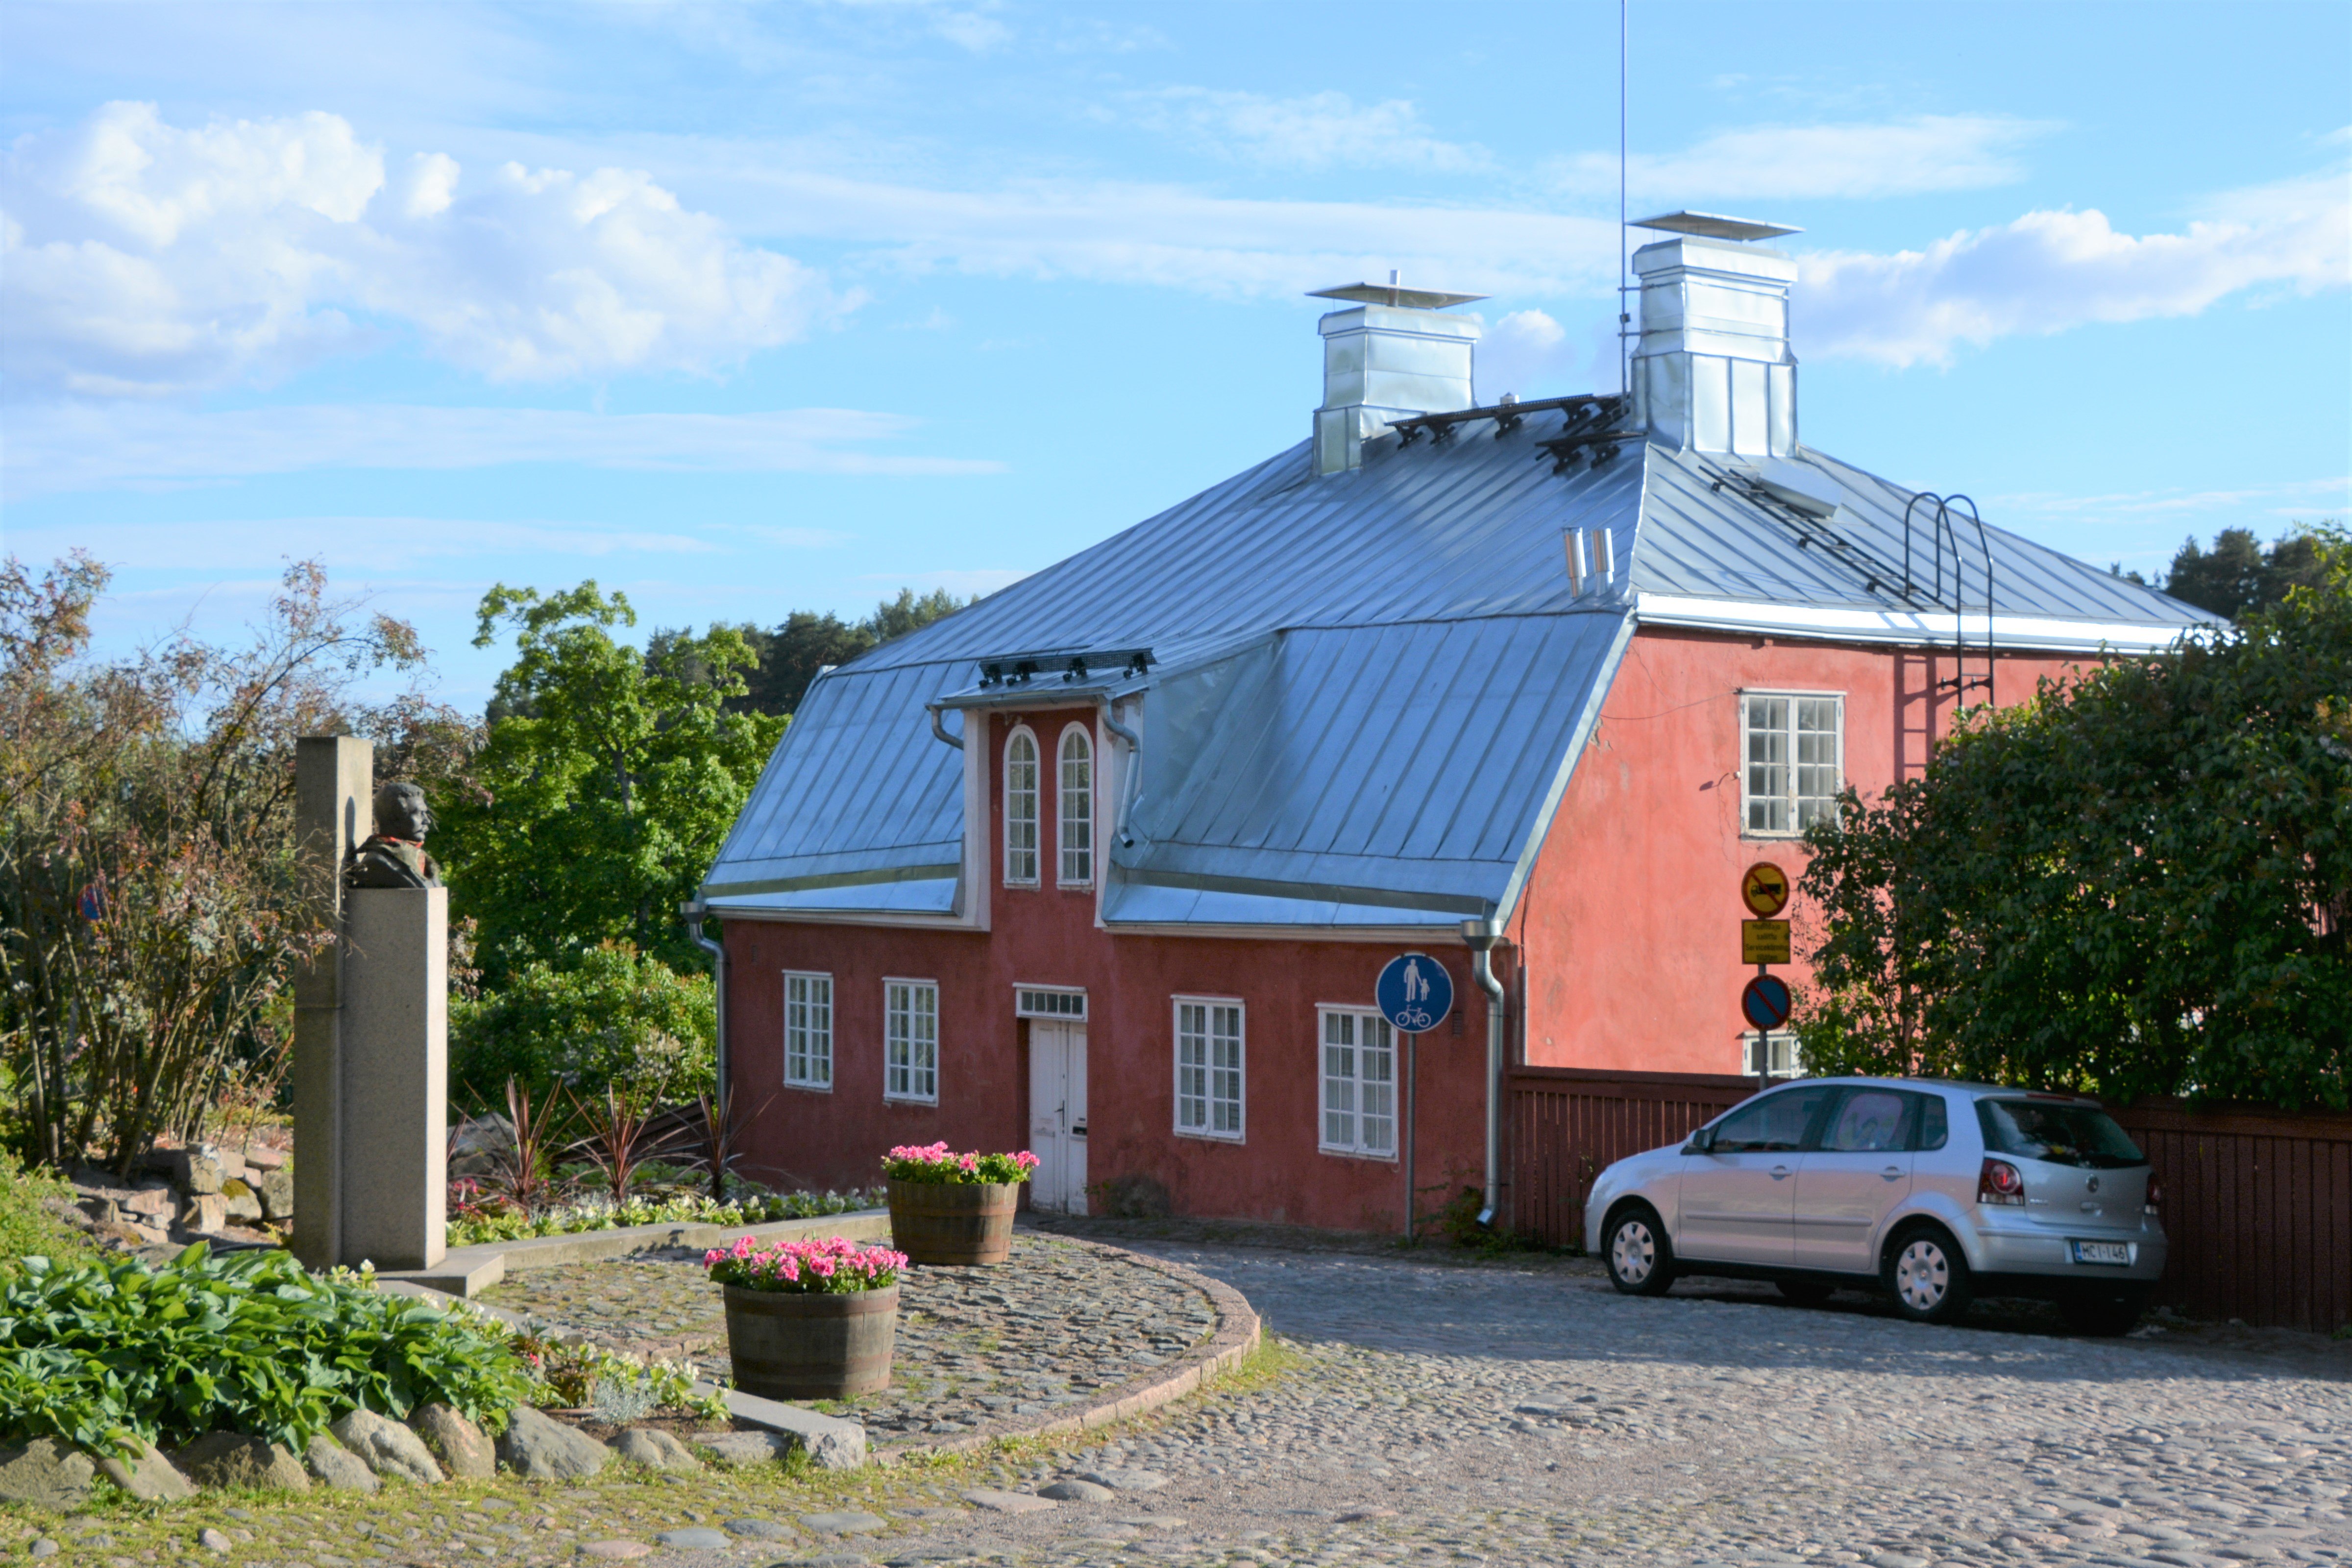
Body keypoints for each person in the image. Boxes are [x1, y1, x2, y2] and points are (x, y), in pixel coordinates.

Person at [347, 781, 442, 889]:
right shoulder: (378, 862)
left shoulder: (420, 858)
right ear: (395, 818)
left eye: (425, 813)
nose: (427, 821)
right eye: (419, 813)